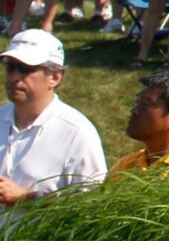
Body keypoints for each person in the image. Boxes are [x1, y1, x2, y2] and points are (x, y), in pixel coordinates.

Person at [0, 30, 106, 219]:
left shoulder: (77, 134)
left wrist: (26, 197)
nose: (14, 77)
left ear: (55, 77)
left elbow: (90, 206)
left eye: (25, 69)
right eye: (10, 68)